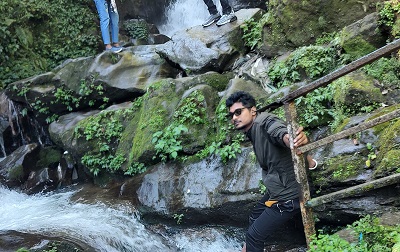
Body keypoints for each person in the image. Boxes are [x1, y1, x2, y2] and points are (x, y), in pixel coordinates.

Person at [225, 91, 317, 252]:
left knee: (254, 236)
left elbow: (280, 132)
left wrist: (292, 139)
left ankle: (250, 246)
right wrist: (311, 163)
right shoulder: (253, 129)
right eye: (231, 115)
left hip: (289, 196)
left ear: (252, 110)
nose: (234, 118)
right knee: (255, 215)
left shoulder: (264, 122)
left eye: (238, 112)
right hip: (279, 187)